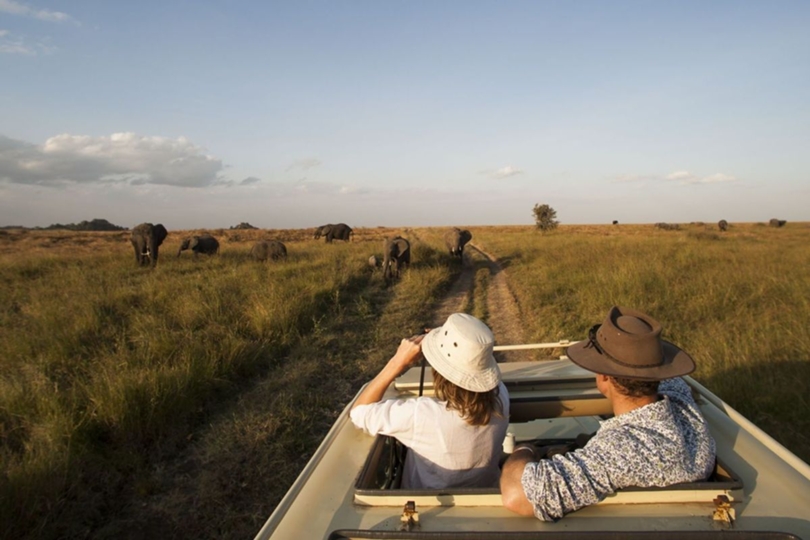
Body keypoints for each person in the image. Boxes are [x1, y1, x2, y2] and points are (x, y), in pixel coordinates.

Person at [500, 306, 716, 520]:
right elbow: (671, 379)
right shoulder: (682, 405)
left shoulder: (620, 450)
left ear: (603, 376)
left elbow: (517, 496)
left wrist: (524, 449)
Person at [350, 313, 510, 489]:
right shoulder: (500, 396)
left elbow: (359, 413)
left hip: (424, 503)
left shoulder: (422, 415)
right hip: (485, 492)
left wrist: (398, 362)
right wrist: (449, 345)